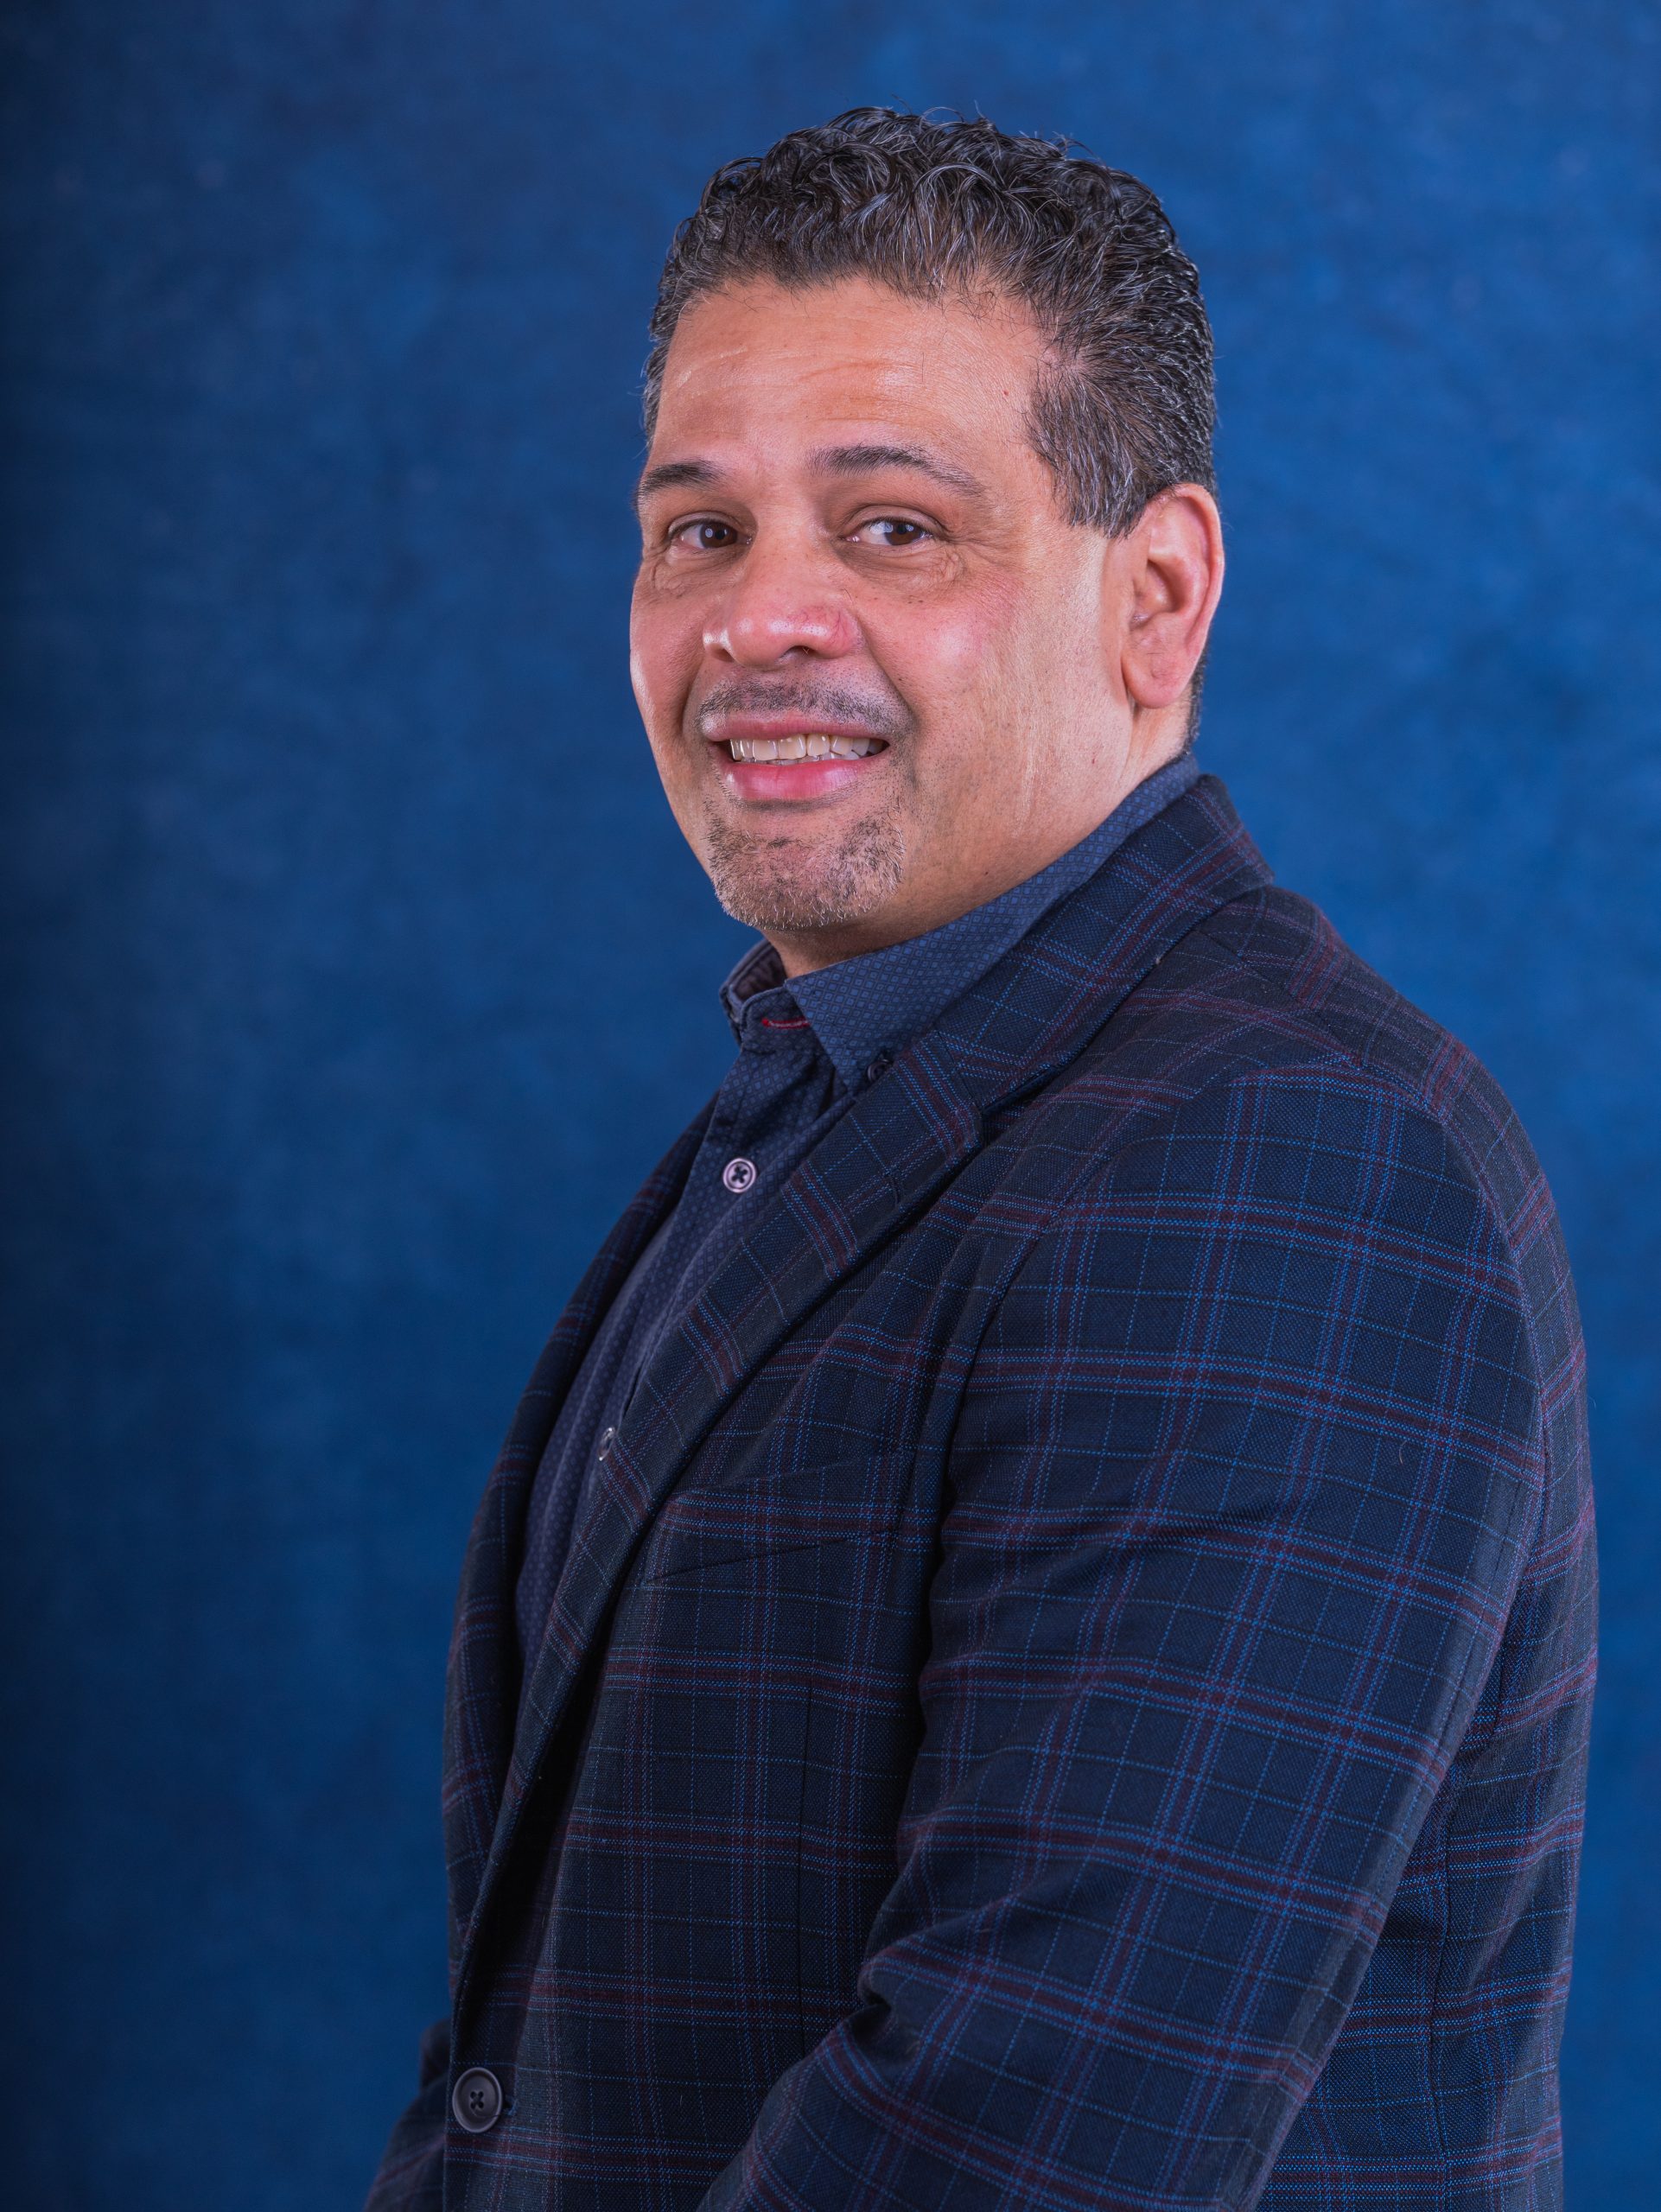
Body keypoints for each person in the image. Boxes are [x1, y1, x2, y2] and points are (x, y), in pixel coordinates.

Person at [366, 110, 1594, 2212]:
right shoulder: (830, 1094)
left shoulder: (1283, 1167)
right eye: (699, 529)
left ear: (1157, 598)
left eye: (895, 527)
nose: (761, 618)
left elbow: (1013, 2140)